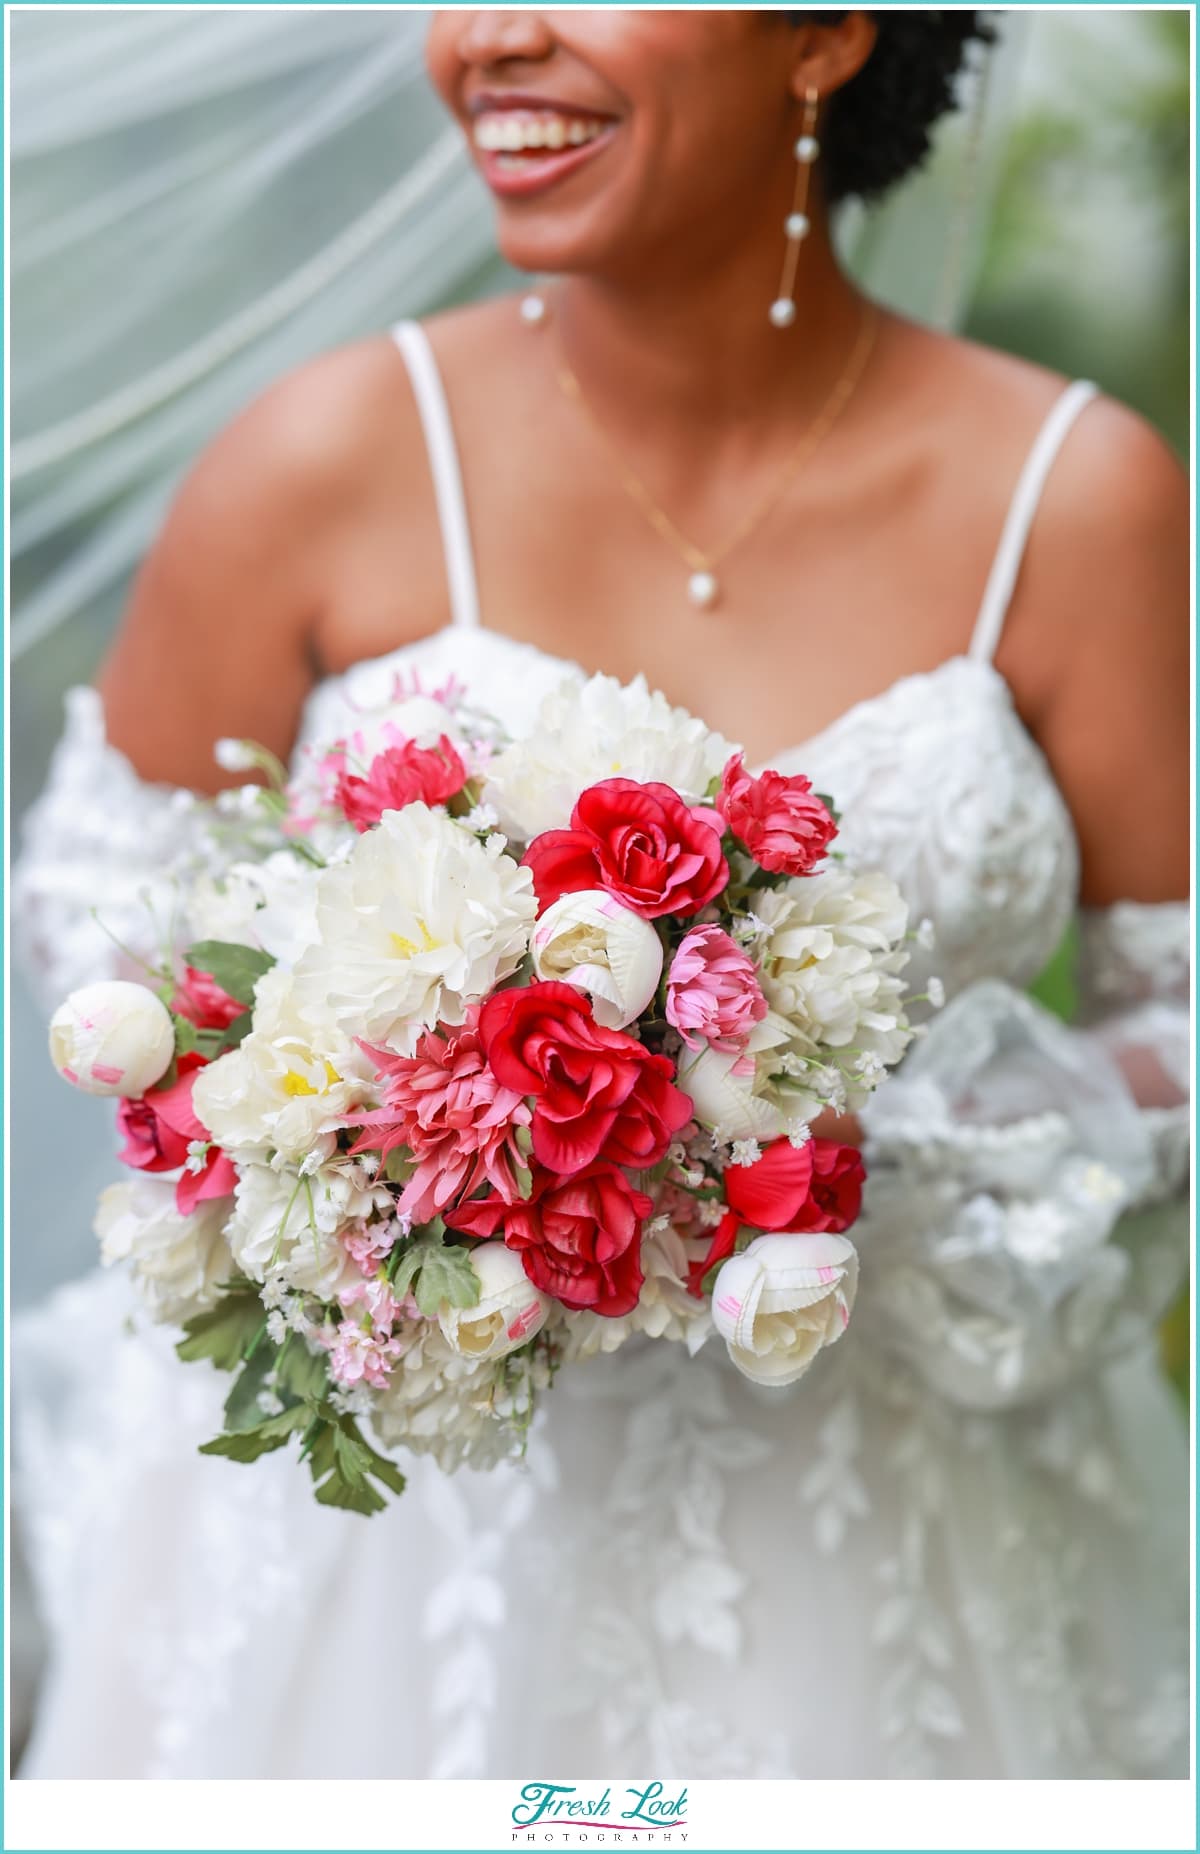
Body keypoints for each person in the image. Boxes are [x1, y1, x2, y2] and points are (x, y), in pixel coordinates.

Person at [14, 10, 1189, 1778]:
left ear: (827, 39)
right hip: (390, 1584)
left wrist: (919, 1166)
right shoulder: (320, 457)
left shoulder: (1079, 501)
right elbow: (109, 938)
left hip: (892, 1549)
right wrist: (365, 1129)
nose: (489, 36)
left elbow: (1174, 1007)